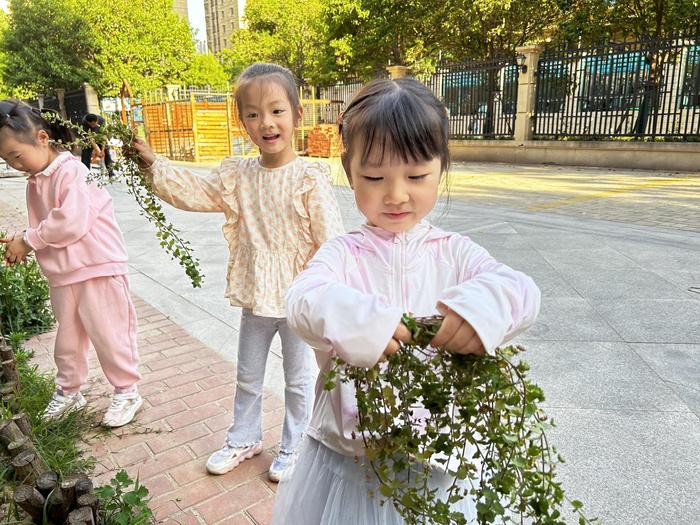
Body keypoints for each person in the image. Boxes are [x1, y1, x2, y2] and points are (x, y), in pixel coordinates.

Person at [271, 78, 541, 524]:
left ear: (442, 167)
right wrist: (360, 321)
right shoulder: (343, 253)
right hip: (349, 459)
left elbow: (522, 291)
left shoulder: (454, 252)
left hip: (438, 461)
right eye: (374, 177)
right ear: (348, 169)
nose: (396, 194)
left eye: (416, 176)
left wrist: (482, 310)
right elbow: (302, 299)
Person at [131, 63, 344, 482]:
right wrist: (155, 164)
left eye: (277, 111)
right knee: (248, 374)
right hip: (256, 296)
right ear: (241, 120)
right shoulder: (239, 175)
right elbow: (193, 191)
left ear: (298, 115)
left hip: (299, 300)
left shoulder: (309, 177)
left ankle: (295, 442)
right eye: (253, 113)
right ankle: (244, 437)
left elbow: (332, 241)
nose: (266, 123)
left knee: (298, 380)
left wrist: (331, 295)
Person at [0, 100, 142, 427]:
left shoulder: (72, 171)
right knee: (68, 338)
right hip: (63, 275)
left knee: (110, 333)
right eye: (7, 160)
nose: (15, 165)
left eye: (17, 156)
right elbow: (47, 225)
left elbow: (71, 221)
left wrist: (29, 240)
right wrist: (25, 239)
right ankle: (69, 390)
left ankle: (127, 391)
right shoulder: (37, 179)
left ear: (41, 138)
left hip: (97, 268)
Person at [81, 113, 115, 178]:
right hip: (89, 139)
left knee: (106, 153)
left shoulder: (102, 120)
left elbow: (104, 135)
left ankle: (111, 172)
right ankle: (85, 174)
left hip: (100, 137)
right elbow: (91, 139)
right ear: (88, 123)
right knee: (85, 155)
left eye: (96, 123)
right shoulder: (84, 122)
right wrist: (97, 151)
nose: (95, 125)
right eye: (93, 124)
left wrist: (102, 150)